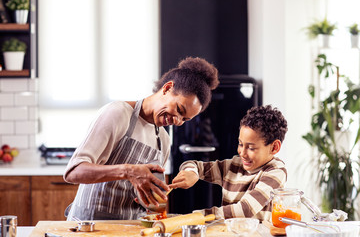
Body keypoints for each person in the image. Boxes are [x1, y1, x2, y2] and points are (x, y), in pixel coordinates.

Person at [63, 57, 219, 220]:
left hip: (131, 229)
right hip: (90, 226)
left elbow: (150, 203)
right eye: (179, 110)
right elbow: (73, 172)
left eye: (185, 119)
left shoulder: (163, 141)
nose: (178, 121)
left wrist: (153, 198)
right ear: (167, 88)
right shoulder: (119, 113)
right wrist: (128, 171)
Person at [169, 105, 288, 221]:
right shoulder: (234, 166)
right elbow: (191, 164)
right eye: (240, 144)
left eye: (251, 148)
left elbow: (245, 210)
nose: (242, 153)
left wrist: (198, 216)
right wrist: (192, 172)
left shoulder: (276, 172)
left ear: (274, 147)